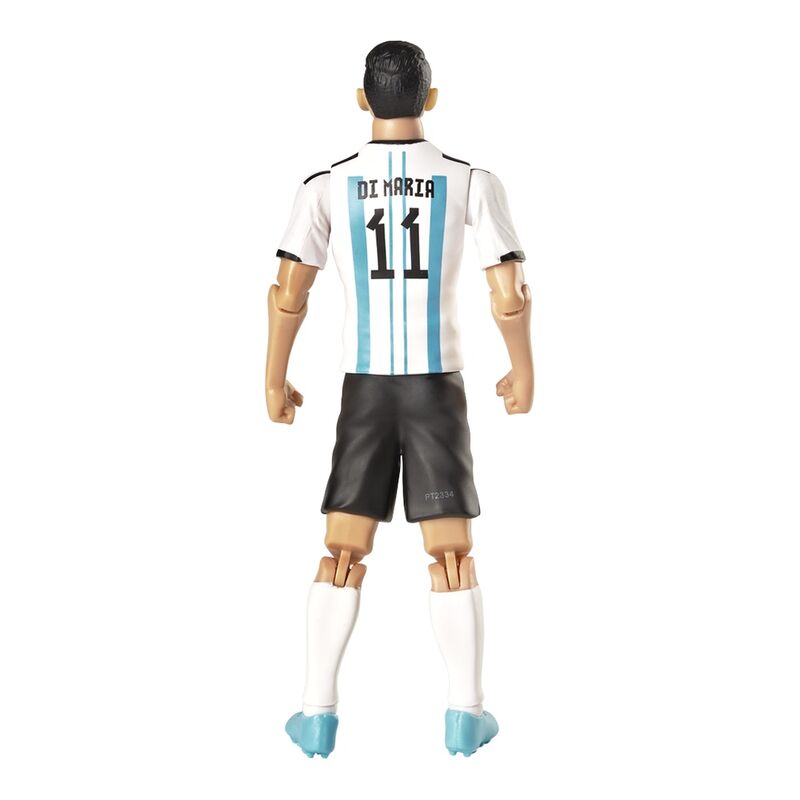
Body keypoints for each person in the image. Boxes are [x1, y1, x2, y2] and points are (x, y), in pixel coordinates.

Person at [266, 40, 533, 758]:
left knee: (342, 548)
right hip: (436, 387)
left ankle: (316, 713)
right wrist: (522, 370)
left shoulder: (328, 184)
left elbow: (288, 292)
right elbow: (509, 290)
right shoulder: (469, 180)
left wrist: (274, 378)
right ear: (431, 100)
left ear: (363, 100)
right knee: (451, 552)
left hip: (365, 389)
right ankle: (466, 713)